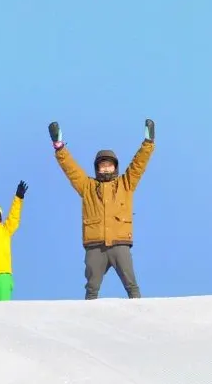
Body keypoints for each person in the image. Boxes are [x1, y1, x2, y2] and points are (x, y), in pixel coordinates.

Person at [48, 118, 155, 299]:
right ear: (97, 168)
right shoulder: (87, 186)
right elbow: (71, 170)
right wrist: (59, 148)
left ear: (115, 167)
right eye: (102, 166)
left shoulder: (126, 184)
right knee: (91, 288)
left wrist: (148, 143)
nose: (106, 169)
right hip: (95, 246)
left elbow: (138, 165)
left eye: (109, 165)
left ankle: (140, 310)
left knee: (131, 285)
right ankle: (88, 314)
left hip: (120, 244)